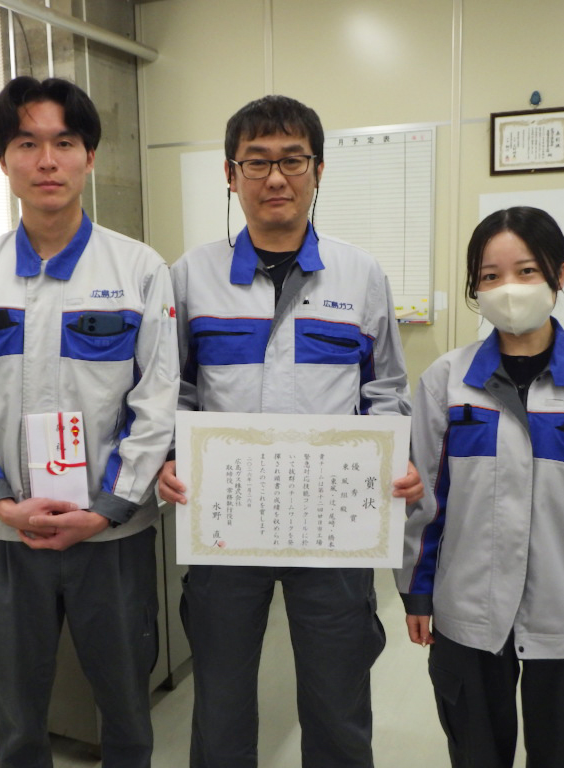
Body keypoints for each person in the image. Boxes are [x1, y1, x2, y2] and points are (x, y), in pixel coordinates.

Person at [158, 94, 423, 768]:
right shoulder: (192, 277)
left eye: (292, 160)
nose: (275, 177)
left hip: (332, 529)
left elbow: (385, 390)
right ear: (230, 174)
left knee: (337, 703)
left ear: (318, 170)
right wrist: (169, 457)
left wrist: (393, 458)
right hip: (225, 523)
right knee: (220, 704)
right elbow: (175, 390)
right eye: (257, 162)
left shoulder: (360, 275)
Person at [0, 76, 178, 768]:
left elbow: (155, 403)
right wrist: (1, 502)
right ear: (3, 160)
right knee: (16, 714)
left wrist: (105, 508)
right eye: (26, 144)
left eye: (64, 143)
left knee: (126, 708)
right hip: (6, 536)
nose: (46, 161)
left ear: (89, 156)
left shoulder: (139, 271)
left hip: (112, 536)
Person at [396, 206, 564, 767]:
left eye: (526, 271)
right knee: (475, 754)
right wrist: (416, 592)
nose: (509, 289)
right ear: (475, 287)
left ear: (559, 274)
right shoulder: (446, 381)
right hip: (468, 609)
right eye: (490, 276)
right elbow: (426, 504)